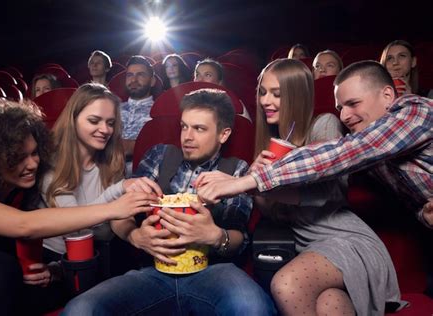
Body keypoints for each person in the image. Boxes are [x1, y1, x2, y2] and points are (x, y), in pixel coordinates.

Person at [62, 88, 276, 316]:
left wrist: (213, 235)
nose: (187, 137)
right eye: (184, 126)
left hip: (213, 272)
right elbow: (120, 214)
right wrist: (136, 236)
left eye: (199, 129)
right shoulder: (159, 156)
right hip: (154, 272)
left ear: (223, 135)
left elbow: (239, 237)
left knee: (254, 308)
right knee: (81, 309)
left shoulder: (237, 170)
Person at [0, 99, 158, 316]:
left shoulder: (26, 183)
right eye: (18, 157)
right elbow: (23, 225)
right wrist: (114, 206)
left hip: (4, 272)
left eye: (34, 153)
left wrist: (52, 271)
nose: (32, 164)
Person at [197, 61, 432, 238]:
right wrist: (424, 214)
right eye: (341, 107)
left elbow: (346, 153)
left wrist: (245, 182)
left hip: (337, 236)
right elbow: (411, 202)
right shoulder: (376, 160)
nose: (345, 116)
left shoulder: (414, 111)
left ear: (388, 95)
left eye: (353, 104)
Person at [245, 58, 404, 315]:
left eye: (276, 93)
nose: (265, 101)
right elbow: (275, 215)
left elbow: (328, 191)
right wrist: (257, 184)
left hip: (345, 240)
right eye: (262, 92)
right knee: (329, 303)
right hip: (309, 247)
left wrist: (263, 184)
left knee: (287, 284)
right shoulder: (270, 145)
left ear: (296, 95)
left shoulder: (324, 124)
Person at [41, 83, 161, 260]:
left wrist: (134, 235)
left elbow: (118, 217)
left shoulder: (111, 159)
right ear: (73, 120)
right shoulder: (52, 163)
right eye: (94, 121)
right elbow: (76, 226)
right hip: (58, 259)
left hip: (101, 253)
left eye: (110, 123)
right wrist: (120, 188)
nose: (105, 130)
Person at [120, 55, 156, 163]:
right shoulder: (113, 108)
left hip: (143, 169)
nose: (133, 79)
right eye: (130, 75)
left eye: (140, 75)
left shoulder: (159, 111)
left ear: (152, 81)